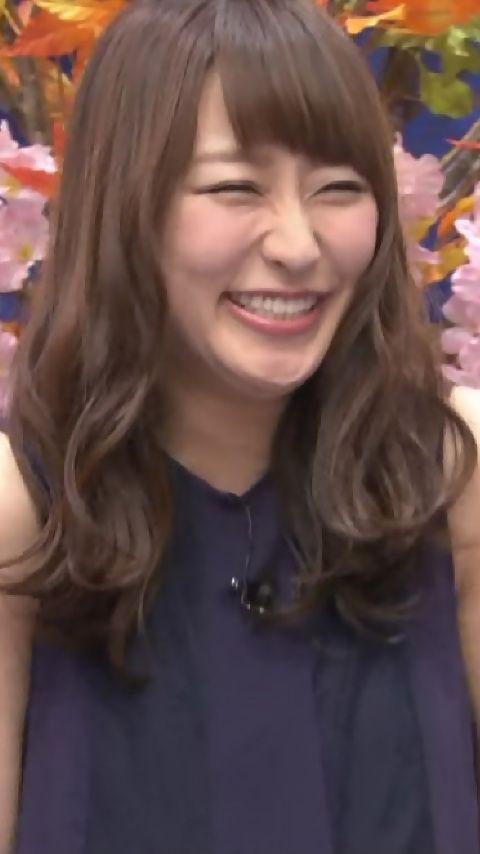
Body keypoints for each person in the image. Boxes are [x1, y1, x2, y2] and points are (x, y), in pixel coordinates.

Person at [1, 0, 480, 851]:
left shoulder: (453, 474)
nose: (299, 246)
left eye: (339, 189)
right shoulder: (21, 513)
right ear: (125, 205)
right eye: (234, 188)